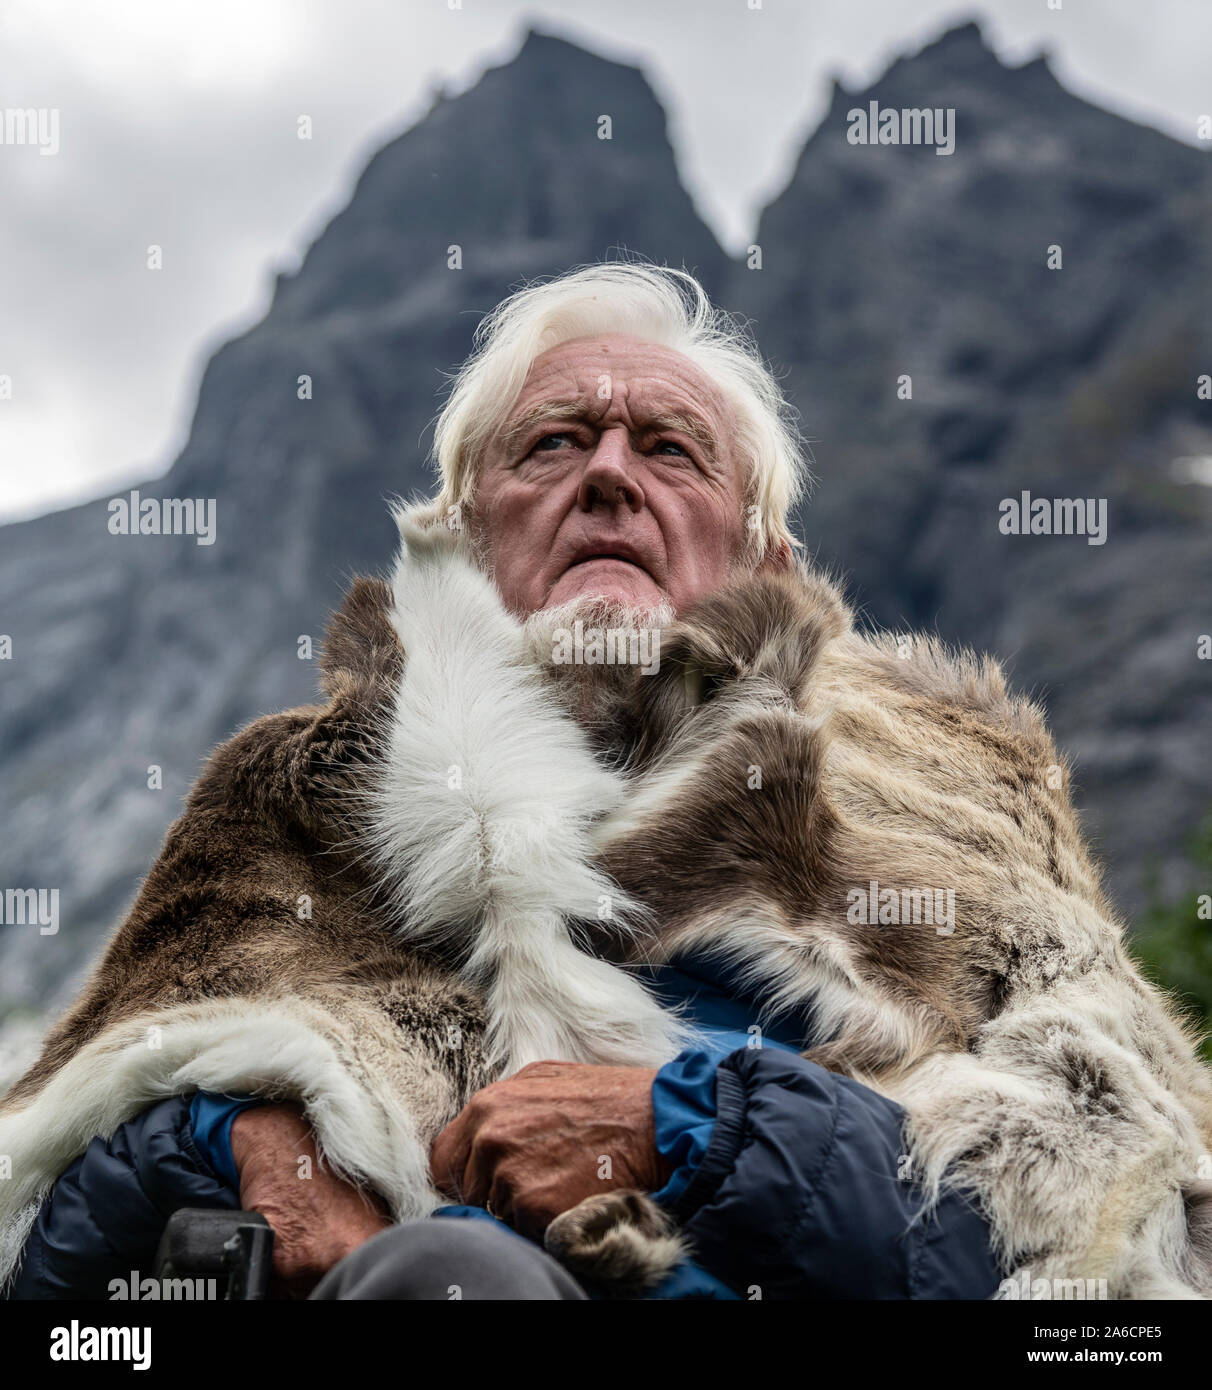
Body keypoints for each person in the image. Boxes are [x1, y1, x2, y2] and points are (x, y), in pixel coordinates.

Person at [5, 263, 1001, 1300]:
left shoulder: (958, 823)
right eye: (555, 443)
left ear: (771, 562)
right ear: (465, 538)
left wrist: (689, 1127)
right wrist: (235, 1130)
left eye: (671, 450)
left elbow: (1101, 1240)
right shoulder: (288, 807)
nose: (611, 476)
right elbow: (40, 1233)